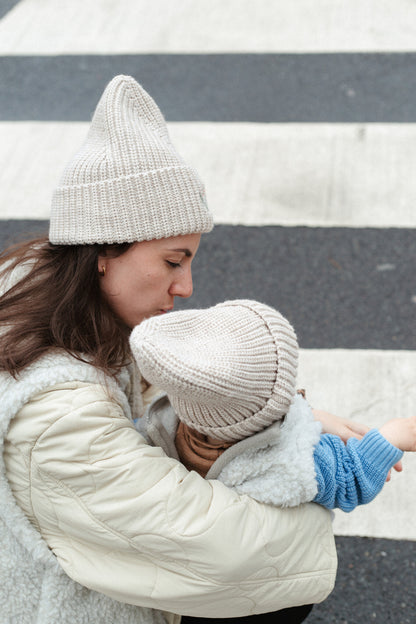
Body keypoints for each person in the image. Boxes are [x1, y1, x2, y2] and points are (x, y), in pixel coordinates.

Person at [1, 74, 353, 624]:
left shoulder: (46, 301)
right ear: (102, 252)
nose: (187, 287)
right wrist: (309, 485)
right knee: (273, 587)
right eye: (172, 261)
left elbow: (169, 386)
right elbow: (219, 549)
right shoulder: (59, 410)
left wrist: (274, 417)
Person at [130, 300, 411, 515]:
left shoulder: (162, 424)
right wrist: (391, 437)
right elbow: (351, 481)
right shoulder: (287, 459)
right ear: (269, 409)